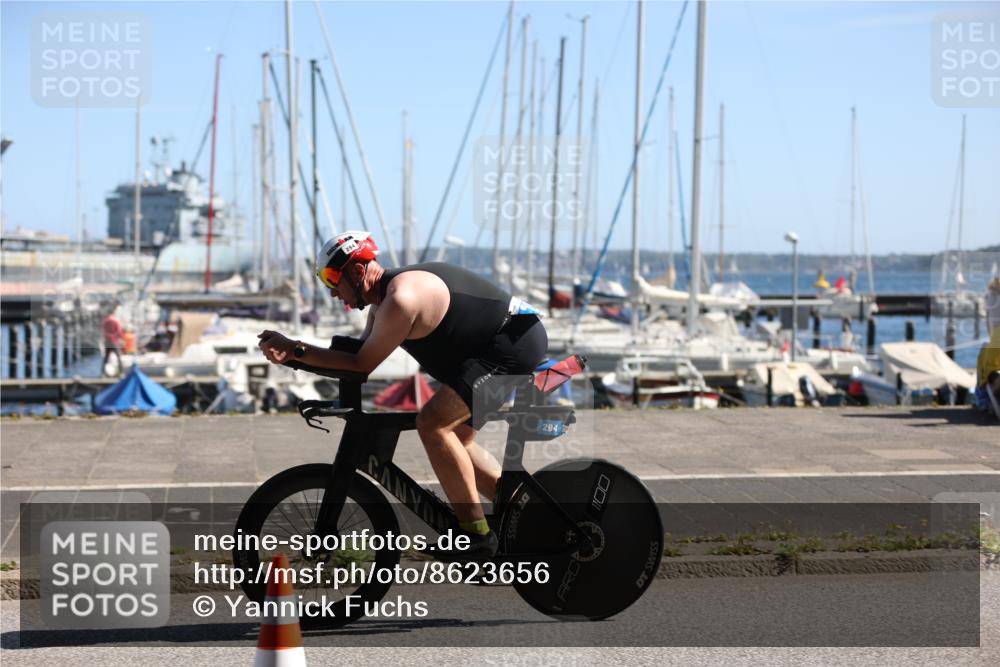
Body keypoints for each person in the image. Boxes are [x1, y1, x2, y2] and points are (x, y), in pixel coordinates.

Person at [258, 232, 547, 560]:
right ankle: (527, 516)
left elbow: (360, 363)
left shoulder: (400, 299)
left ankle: (477, 537)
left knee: (434, 425)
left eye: (332, 278)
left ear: (356, 271)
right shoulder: (382, 303)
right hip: (496, 347)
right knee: (458, 440)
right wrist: (296, 357)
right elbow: (356, 361)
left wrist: (295, 350)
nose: (331, 290)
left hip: (511, 344)